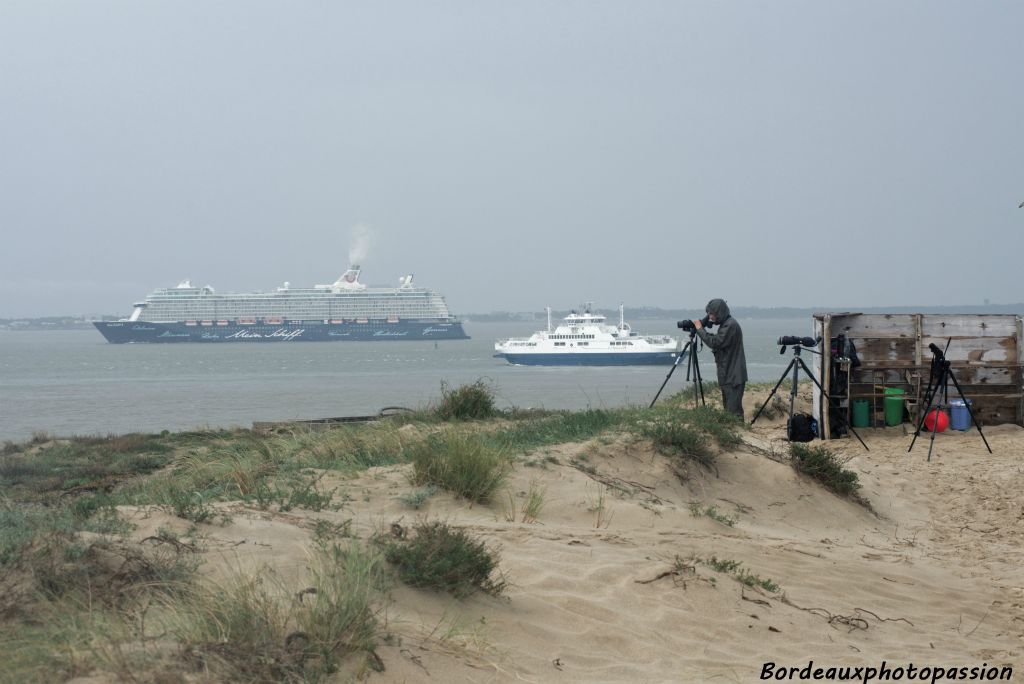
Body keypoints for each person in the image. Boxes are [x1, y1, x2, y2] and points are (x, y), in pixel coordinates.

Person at [692, 299, 748, 419]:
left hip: (733, 376)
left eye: (711, 314)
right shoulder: (726, 324)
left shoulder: (730, 325)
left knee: (733, 413)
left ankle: (738, 434)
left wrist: (700, 329)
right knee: (729, 411)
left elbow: (715, 343)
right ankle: (733, 433)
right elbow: (720, 341)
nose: (710, 317)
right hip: (729, 374)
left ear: (719, 312)